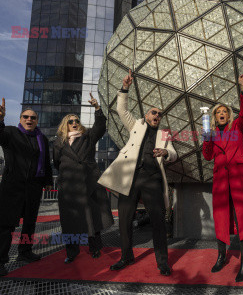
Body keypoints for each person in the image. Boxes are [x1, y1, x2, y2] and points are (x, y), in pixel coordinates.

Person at [98, 70, 177, 276]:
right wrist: (125, 88)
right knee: (124, 220)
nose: (157, 116)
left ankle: (162, 262)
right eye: (154, 113)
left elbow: (174, 154)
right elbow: (121, 108)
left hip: (152, 179)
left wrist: (166, 152)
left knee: (158, 221)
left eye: (160, 114)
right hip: (129, 177)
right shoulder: (136, 125)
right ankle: (126, 256)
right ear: (146, 115)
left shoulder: (164, 134)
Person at [202, 69, 243, 283]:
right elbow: (208, 156)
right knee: (221, 218)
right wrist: (206, 138)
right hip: (221, 181)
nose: (221, 114)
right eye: (217, 112)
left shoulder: (237, 127)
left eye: (224, 111)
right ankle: (221, 256)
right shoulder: (211, 133)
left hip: (239, 178)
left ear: (228, 115)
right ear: (214, 117)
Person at [0, 99, 53, 278]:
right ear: (21, 118)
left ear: (37, 120)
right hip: (12, 186)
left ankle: (25, 252)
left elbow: (46, 162)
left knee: (30, 223)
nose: (29, 119)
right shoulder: (10, 132)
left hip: (33, 187)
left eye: (33, 117)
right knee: (7, 225)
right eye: (26, 117)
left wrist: (47, 181)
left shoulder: (42, 139)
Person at [53, 93, 114, 264]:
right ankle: (72, 252)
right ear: (65, 125)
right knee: (69, 220)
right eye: (71, 121)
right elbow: (57, 162)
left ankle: (95, 248)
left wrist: (97, 108)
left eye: (76, 121)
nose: (74, 123)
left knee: (91, 217)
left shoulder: (88, 137)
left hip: (87, 183)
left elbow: (100, 127)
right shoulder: (58, 142)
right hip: (69, 186)